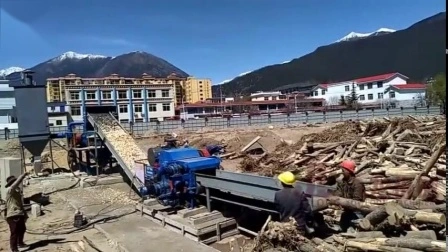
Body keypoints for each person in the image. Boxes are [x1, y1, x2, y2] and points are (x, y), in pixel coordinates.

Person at [333, 159, 365, 232]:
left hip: (357, 213)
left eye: (343, 170)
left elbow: (357, 201)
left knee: (351, 229)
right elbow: (338, 193)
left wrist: (345, 202)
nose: (342, 172)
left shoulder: (357, 184)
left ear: (349, 171)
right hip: (347, 212)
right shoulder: (342, 182)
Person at [5, 173, 29, 252]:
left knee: (22, 229)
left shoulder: (17, 193)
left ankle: (20, 243)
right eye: (14, 182)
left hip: (19, 213)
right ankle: (14, 248)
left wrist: (24, 213)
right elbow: (14, 185)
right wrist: (22, 176)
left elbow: (20, 204)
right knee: (14, 232)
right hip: (12, 215)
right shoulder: (10, 190)